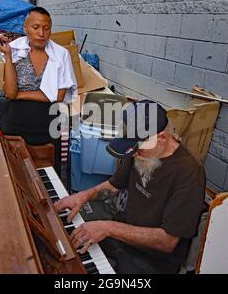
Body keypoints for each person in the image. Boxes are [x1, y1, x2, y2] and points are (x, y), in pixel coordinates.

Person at [54, 100, 206, 273]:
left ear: (162, 137)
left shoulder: (189, 173)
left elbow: (167, 241)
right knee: (63, 242)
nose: (134, 153)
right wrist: (83, 196)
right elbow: (113, 186)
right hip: (122, 236)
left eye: (138, 148)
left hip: (153, 259)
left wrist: (108, 228)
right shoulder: (139, 151)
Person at [0, 6, 77, 172]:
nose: (41, 33)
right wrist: (8, 56)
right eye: (35, 27)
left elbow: (58, 96)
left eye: (46, 28)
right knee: (12, 170)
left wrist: (21, 95)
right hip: (16, 123)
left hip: (48, 124)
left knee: (50, 173)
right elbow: (9, 92)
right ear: (26, 29)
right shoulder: (15, 50)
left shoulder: (61, 54)